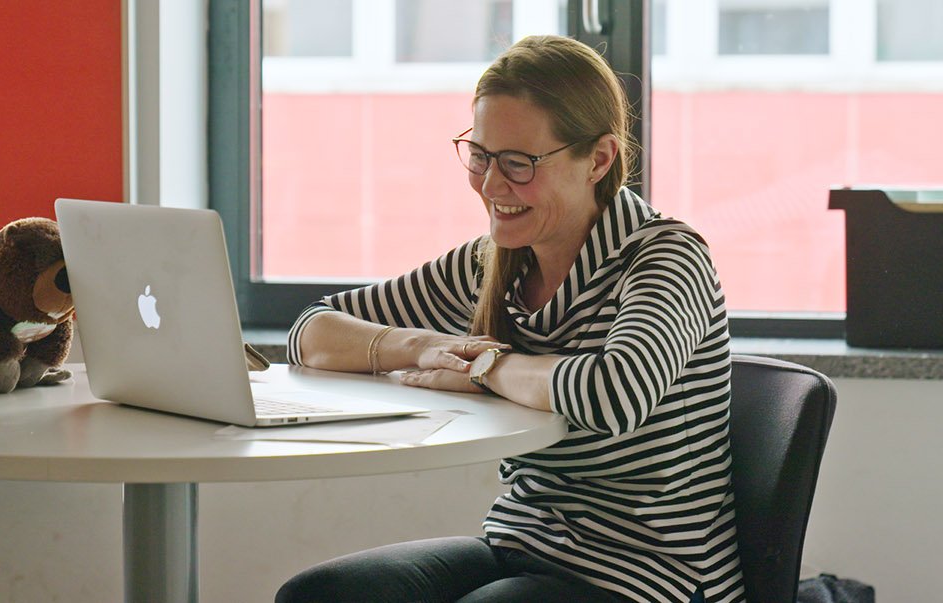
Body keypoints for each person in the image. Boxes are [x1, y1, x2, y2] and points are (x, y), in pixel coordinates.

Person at [275, 35, 741, 603]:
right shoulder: (491, 260)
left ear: (598, 159)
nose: (493, 187)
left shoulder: (667, 256)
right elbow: (312, 332)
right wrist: (417, 345)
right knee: (319, 595)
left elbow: (615, 393)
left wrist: (485, 367)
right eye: (481, 157)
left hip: (653, 572)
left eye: (519, 164)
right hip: (524, 545)